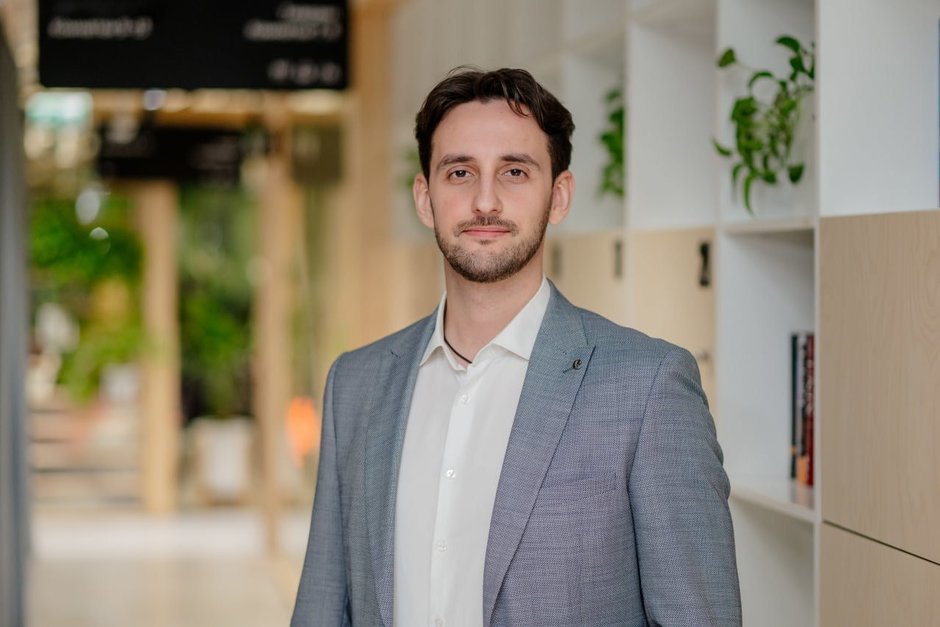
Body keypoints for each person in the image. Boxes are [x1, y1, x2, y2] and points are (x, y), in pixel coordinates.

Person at [291, 67, 741, 627]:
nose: (486, 200)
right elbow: (322, 605)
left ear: (559, 196)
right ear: (425, 198)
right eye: (460, 172)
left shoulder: (649, 388)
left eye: (515, 172)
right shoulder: (355, 385)